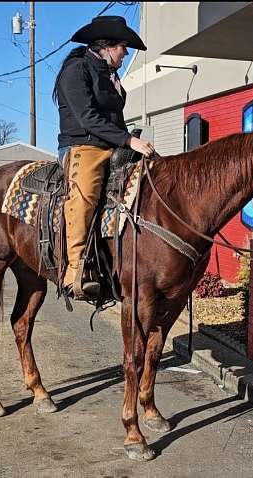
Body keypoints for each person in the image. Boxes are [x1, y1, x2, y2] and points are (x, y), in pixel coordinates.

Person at [52, 15, 155, 300]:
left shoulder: (111, 75)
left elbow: (114, 117)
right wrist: (129, 139)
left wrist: (131, 144)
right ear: (107, 46)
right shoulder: (76, 70)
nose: (126, 53)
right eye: (124, 47)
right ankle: (75, 271)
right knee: (85, 196)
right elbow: (87, 118)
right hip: (83, 145)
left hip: (112, 143)